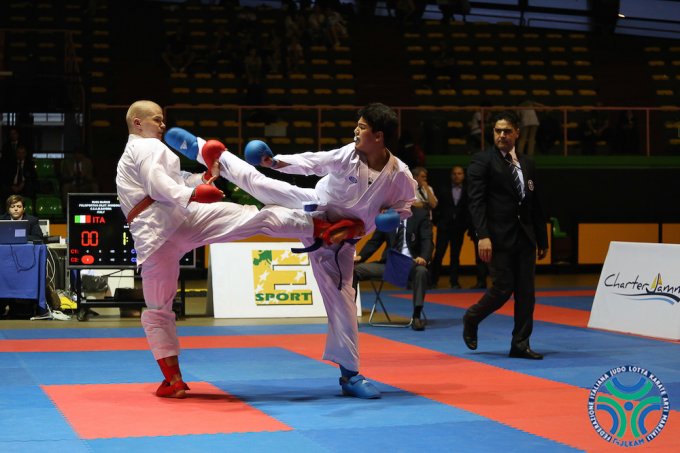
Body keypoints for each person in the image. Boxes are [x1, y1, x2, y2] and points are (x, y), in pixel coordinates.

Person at [116, 100, 361, 399]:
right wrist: (192, 191)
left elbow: (170, 184)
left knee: (157, 308)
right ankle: (320, 228)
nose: (163, 124)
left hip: (154, 236)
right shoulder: (147, 148)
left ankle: (173, 380)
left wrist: (203, 179)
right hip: (177, 218)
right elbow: (158, 186)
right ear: (138, 123)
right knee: (255, 217)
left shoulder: (137, 153)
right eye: (156, 119)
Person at [170, 103, 417, 398]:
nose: (356, 130)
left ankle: (350, 377)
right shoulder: (348, 155)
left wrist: (393, 215)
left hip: (339, 242)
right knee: (262, 184)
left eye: (362, 127)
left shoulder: (400, 174)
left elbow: (407, 205)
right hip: (312, 208)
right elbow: (313, 162)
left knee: (343, 304)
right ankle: (206, 151)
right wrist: (275, 161)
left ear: (378, 136)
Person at [463, 111, 548, 360]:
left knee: (526, 292)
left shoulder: (528, 163)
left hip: (525, 237)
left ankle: (520, 343)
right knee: (502, 289)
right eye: (498, 131)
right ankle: (472, 317)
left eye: (507, 131)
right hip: (497, 237)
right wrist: (482, 235)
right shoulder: (482, 161)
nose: (502, 135)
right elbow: (476, 202)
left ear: (517, 133)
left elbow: (535, 203)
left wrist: (541, 238)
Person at [353, 206, 433, 330]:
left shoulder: (420, 215)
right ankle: (350, 317)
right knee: (356, 270)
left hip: (411, 264)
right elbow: (375, 241)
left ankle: (416, 316)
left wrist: (423, 258)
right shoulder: (387, 216)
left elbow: (427, 240)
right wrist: (360, 256)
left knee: (421, 272)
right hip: (389, 265)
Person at [429, 165, 467, 289]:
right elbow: (436, 207)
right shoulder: (443, 189)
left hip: (459, 228)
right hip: (444, 227)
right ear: (451, 175)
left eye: (460, 173)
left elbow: (469, 209)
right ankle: (433, 281)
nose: (457, 176)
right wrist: (437, 222)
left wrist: (465, 225)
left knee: (455, 256)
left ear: (463, 176)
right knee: (439, 254)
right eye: (455, 173)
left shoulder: (468, 190)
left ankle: (454, 282)